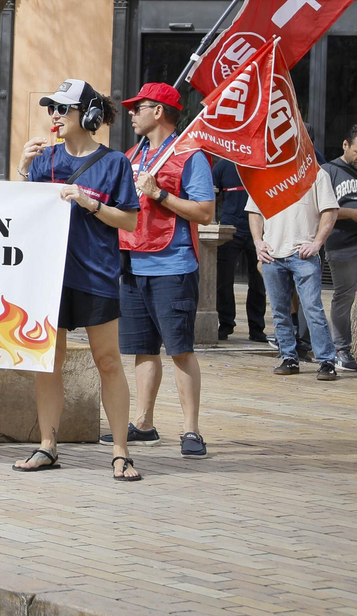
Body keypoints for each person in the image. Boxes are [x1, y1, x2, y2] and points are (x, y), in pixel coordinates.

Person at [13, 81, 143, 481]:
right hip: (49, 277)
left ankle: (121, 451)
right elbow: (20, 212)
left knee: (107, 360)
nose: (54, 115)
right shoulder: (44, 159)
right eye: (51, 108)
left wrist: (92, 203)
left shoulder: (115, 162)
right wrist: (22, 168)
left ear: (87, 115)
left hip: (96, 274)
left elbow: (131, 220)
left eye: (64, 109)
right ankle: (47, 446)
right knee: (49, 361)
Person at [116, 82, 214, 458]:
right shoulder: (130, 155)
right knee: (143, 349)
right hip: (132, 261)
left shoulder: (190, 156)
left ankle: (191, 430)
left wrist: (160, 194)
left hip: (172, 265)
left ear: (158, 111)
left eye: (137, 107)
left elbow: (205, 212)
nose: (130, 113)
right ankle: (143, 423)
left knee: (180, 349)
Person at [249, 166, 339, 380]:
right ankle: (288, 357)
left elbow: (331, 210)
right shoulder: (265, 173)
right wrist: (257, 242)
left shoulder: (317, 173)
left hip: (303, 254)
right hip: (272, 253)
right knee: (279, 310)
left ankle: (327, 361)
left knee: (312, 308)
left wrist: (317, 243)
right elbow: (254, 210)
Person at [322, 125, 357, 372]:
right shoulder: (328, 171)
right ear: (345, 145)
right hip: (343, 244)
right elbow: (318, 210)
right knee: (344, 296)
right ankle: (341, 349)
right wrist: (352, 213)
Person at [211, 159, 268, 342]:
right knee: (224, 280)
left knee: (259, 281)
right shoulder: (223, 166)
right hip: (229, 230)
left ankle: (257, 327)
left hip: (259, 231)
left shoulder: (263, 163)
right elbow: (211, 196)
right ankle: (226, 324)